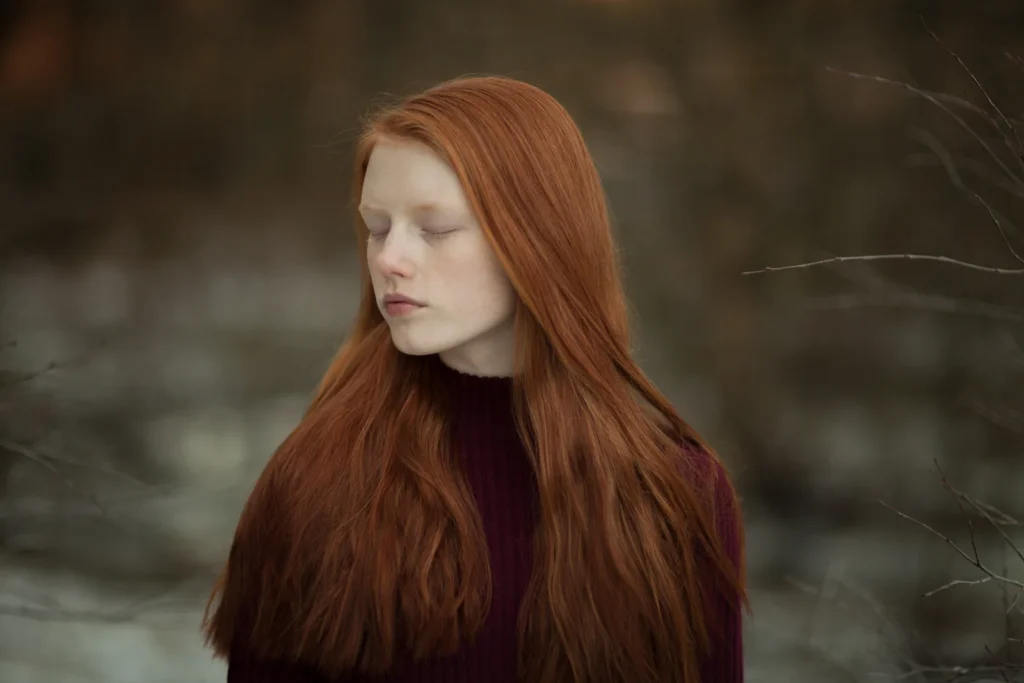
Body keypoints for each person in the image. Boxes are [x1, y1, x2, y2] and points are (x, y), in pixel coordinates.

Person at [202, 75, 748, 683]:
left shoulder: (677, 497)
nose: (388, 259)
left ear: (538, 239)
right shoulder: (315, 480)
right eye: (377, 227)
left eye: (435, 229)